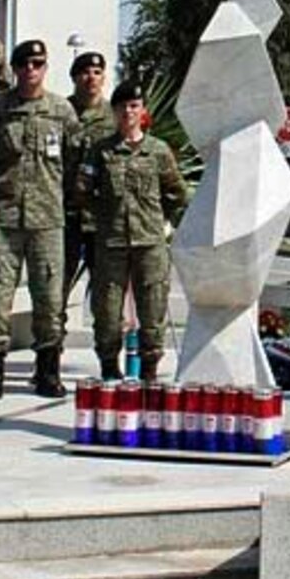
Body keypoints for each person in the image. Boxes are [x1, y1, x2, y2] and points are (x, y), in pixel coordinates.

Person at [0, 39, 81, 399]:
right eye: (24, 64)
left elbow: (73, 162)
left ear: (45, 67)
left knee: (50, 298)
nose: (31, 70)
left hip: (47, 220)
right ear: (15, 69)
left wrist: (59, 198)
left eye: (37, 63)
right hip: (5, 219)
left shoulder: (61, 111)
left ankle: (48, 370)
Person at [82, 81, 189, 382]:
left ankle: (150, 369)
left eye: (134, 106)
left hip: (149, 243)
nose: (128, 112)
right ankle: (109, 366)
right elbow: (83, 191)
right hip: (111, 243)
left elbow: (177, 192)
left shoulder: (158, 151)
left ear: (143, 111)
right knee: (107, 310)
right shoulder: (101, 151)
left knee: (152, 308)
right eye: (122, 107)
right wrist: (104, 216)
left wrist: (158, 219)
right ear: (114, 111)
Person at [64, 50, 114, 303]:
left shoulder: (116, 116)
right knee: (55, 290)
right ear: (74, 77)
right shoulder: (60, 112)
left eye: (97, 72)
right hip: (64, 215)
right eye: (85, 73)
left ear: (104, 77)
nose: (91, 78)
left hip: (101, 218)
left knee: (106, 293)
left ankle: (105, 331)